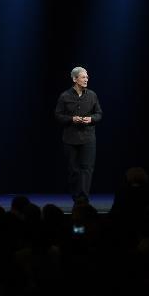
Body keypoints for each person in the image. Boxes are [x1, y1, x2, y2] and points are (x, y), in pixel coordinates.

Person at [54, 67, 102, 203]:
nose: (86, 79)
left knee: (86, 169)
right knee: (73, 170)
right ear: (75, 79)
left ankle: (83, 198)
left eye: (87, 77)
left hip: (88, 138)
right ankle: (76, 198)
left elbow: (99, 114)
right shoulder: (65, 96)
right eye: (83, 77)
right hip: (70, 138)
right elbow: (58, 115)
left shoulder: (92, 95)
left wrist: (91, 119)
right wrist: (71, 119)